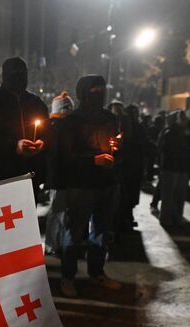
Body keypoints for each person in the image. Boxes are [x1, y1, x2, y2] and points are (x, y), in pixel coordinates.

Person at [58, 75, 122, 298]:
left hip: (107, 183)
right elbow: (66, 155)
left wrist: (116, 152)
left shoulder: (109, 119)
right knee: (75, 233)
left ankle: (97, 272)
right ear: (84, 92)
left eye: (103, 89)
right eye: (95, 90)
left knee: (101, 232)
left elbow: (117, 143)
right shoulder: (72, 121)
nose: (100, 93)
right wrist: (92, 160)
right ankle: (67, 277)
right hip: (81, 185)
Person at [0, 57, 49, 191]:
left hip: (28, 178)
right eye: (14, 73)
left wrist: (42, 143)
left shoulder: (36, 103)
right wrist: (14, 146)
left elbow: (47, 132)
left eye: (22, 72)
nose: (19, 76)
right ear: (5, 75)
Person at [44, 92, 74, 255]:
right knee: (58, 213)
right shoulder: (57, 128)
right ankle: (53, 245)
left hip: (60, 177)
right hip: (60, 178)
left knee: (61, 213)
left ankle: (57, 243)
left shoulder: (54, 126)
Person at [158, 110, 190, 227]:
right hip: (172, 167)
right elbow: (166, 150)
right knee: (169, 195)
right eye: (182, 118)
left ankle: (176, 217)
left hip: (181, 168)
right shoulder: (170, 133)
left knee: (179, 195)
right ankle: (167, 218)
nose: (185, 120)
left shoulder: (186, 133)